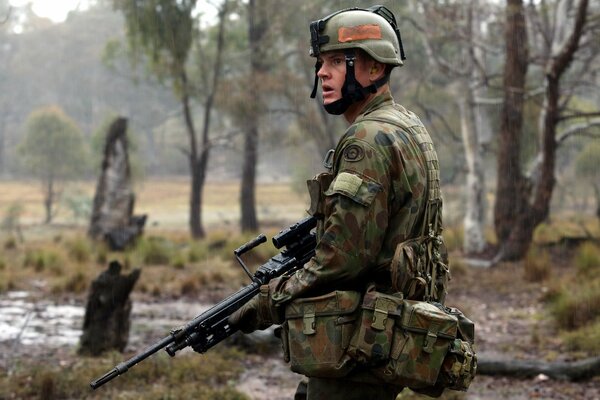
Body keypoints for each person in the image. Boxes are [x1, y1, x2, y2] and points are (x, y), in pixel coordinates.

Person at [229, 6, 449, 400]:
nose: (322, 73)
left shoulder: (366, 140)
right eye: (320, 63)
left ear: (375, 69)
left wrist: (269, 301)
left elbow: (341, 259)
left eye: (335, 61)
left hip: (362, 340)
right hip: (388, 331)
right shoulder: (407, 125)